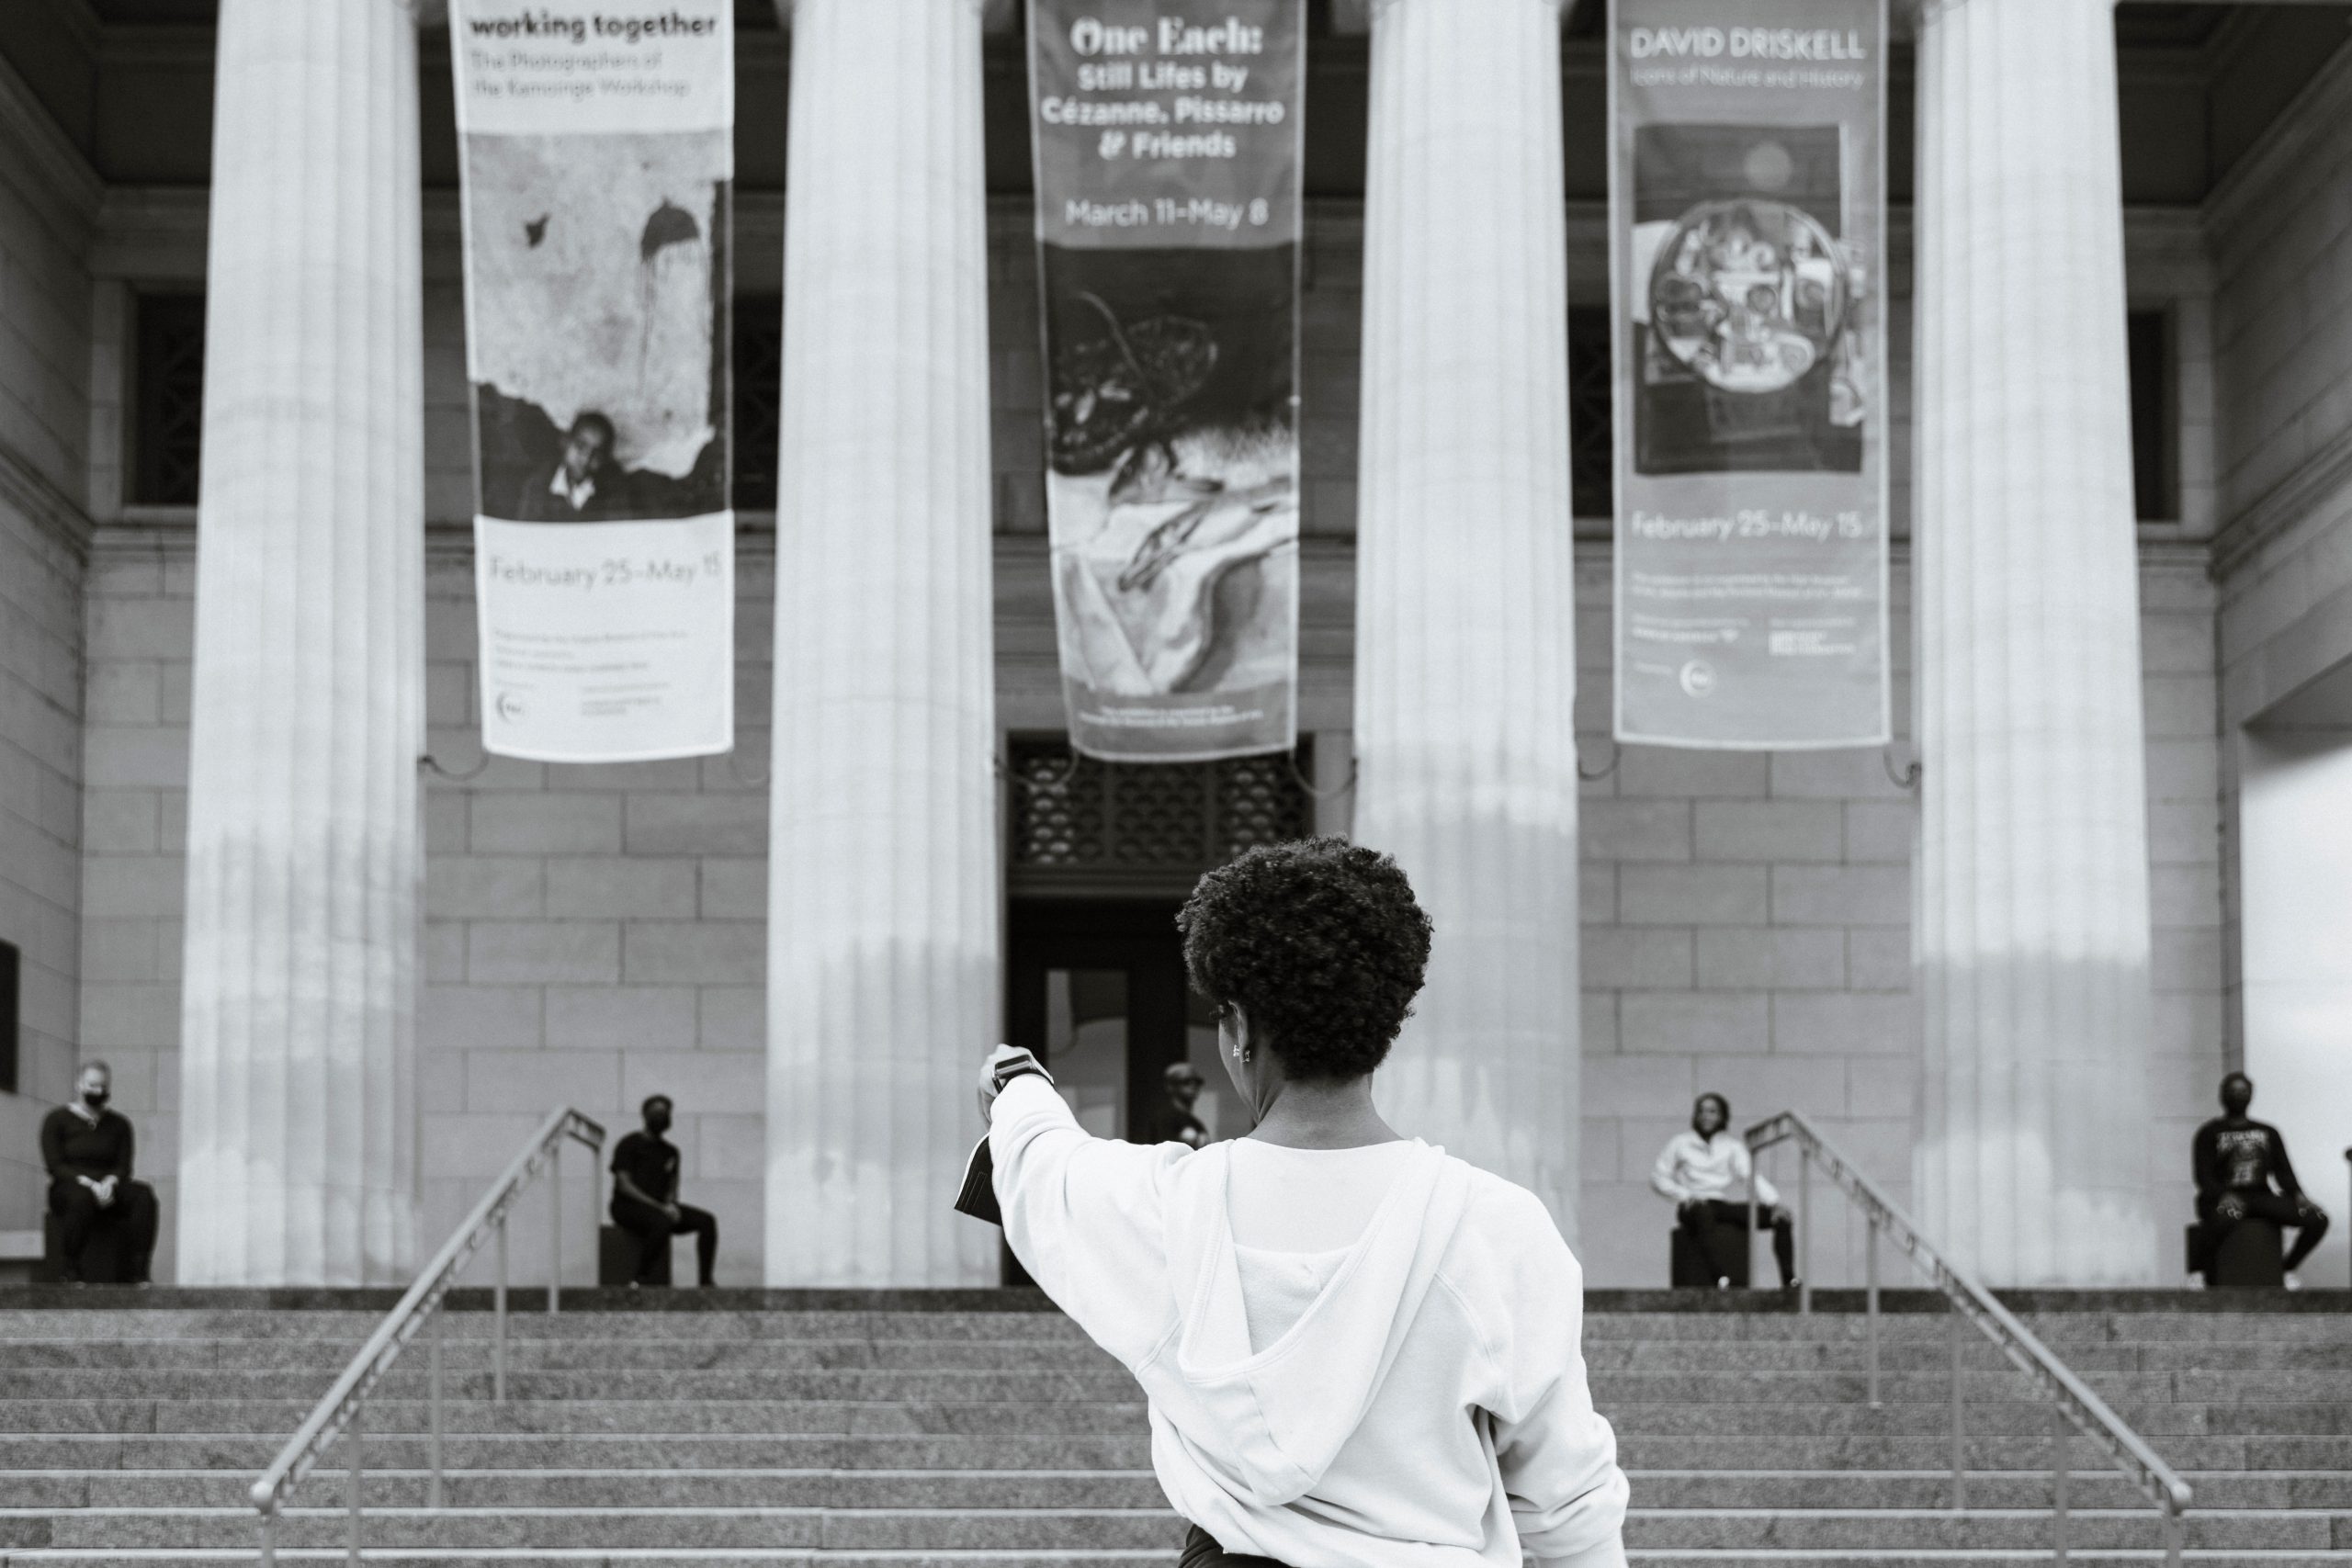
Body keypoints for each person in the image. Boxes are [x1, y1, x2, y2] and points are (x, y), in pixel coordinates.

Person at [982, 838, 1628, 1568]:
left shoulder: (1162, 1207)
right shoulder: (1499, 1228)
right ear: (1387, 1020)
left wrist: (1017, 1084)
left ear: (1240, 1028)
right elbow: (1567, 1506)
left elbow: (1044, 1163)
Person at [1650, 1093, 1797, 1290]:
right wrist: (1684, 1196)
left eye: (1712, 1111)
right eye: (1701, 1111)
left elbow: (1750, 1175)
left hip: (1719, 1204)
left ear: (1722, 1116)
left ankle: (1790, 1281)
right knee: (1703, 1213)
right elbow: (1658, 1177)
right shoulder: (1680, 1143)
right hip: (1692, 1205)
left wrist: (1774, 1202)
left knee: (1780, 1218)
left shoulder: (1732, 1146)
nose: (1706, 1116)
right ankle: (1720, 1278)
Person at [2194, 1072, 2328, 1286]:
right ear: (2222, 1095)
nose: (2238, 1096)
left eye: (2243, 1091)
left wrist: (2299, 1196)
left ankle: (2287, 1269)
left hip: (2261, 1198)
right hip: (2223, 1199)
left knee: (2318, 1218)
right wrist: (2223, 1195)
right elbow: (2203, 1175)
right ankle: (2200, 1273)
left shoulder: (2268, 1132)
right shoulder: (2209, 1132)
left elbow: (2284, 1172)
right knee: (2223, 1219)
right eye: (2233, 1091)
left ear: (2251, 1095)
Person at [40, 1061, 158, 1285]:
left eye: (103, 1086)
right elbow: (55, 1165)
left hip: (109, 1186)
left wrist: (109, 1182)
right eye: (92, 1085)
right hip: (71, 1186)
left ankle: (139, 1271)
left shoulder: (119, 1124)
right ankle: (70, 1270)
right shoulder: (56, 1120)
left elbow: (124, 1166)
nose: (98, 1091)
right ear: (79, 1084)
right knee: (80, 1198)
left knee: (143, 1196)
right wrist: (90, 1185)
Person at [607, 1095, 718, 1287]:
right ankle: (639, 1279)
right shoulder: (629, 1144)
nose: (662, 1117)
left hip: (659, 1209)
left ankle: (705, 1282)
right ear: (645, 1115)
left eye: (666, 1113)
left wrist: (671, 1204)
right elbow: (623, 1185)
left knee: (707, 1221)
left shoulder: (671, 1152)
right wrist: (660, 1207)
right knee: (662, 1221)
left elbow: (672, 1186)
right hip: (627, 1207)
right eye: (657, 1112)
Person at [512, 412, 623, 522]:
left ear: (605, 460)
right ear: (566, 442)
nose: (586, 459)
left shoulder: (610, 494)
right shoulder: (538, 484)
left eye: (597, 453)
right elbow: (526, 527)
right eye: (580, 446)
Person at [1144, 1061, 1210, 1147]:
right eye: (1186, 1081)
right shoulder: (1164, 1119)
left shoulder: (1196, 1123)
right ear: (1171, 1086)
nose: (1193, 1085)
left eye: (1197, 1082)